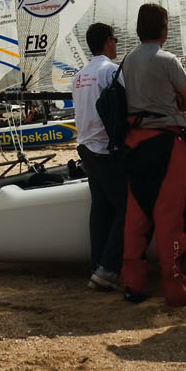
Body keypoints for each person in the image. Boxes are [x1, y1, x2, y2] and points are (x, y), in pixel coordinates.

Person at [118, 2, 186, 309]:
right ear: (164, 29)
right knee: (171, 217)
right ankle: (177, 291)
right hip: (166, 145)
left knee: (137, 216)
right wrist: (177, 101)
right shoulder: (168, 59)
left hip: (133, 142)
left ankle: (133, 285)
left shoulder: (127, 60)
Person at [71, 21, 125, 292]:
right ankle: (108, 269)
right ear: (108, 42)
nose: (117, 43)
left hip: (86, 149)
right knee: (127, 210)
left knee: (101, 208)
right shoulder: (111, 71)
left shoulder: (79, 75)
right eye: (115, 39)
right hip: (105, 150)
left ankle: (97, 265)